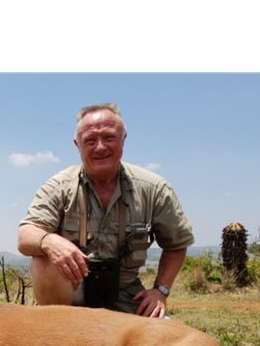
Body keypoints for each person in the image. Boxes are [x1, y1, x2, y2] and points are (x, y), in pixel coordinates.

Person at [17, 103, 194, 317]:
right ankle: (57, 326)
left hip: (126, 293)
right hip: (71, 295)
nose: (100, 147)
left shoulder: (154, 188)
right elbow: (25, 235)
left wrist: (160, 290)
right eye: (90, 140)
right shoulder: (58, 187)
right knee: (43, 260)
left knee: (165, 334)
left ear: (123, 138)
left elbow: (177, 244)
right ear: (77, 144)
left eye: (109, 137)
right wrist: (49, 241)